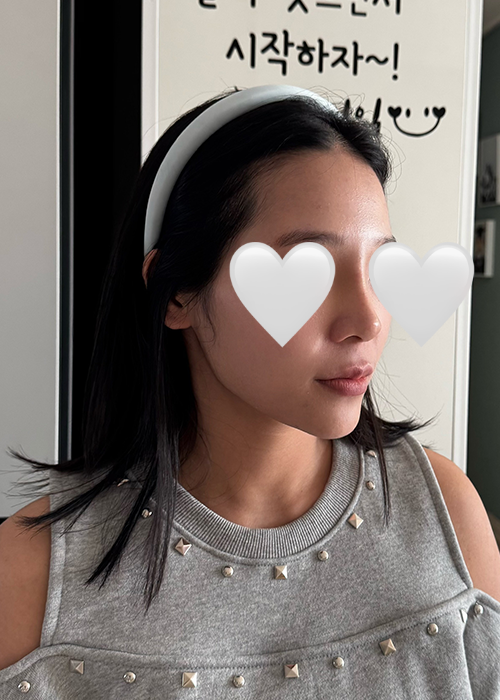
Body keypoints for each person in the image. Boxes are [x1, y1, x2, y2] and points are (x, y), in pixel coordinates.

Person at [0, 85, 499, 698]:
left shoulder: (444, 512)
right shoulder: (33, 576)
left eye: (379, 268)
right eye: (312, 269)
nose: (368, 320)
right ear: (177, 293)